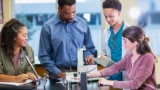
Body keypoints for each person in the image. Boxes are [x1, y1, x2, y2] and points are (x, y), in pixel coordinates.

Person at [39, 0, 95, 79]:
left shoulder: (83, 24)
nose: (71, 16)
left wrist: (88, 56)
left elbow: (89, 48)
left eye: (74, 12)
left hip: (80, 74)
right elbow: (44, 56)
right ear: (59, 9)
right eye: (67, 13)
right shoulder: (48, 28)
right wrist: (58, 73)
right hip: (58, 76)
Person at [88, 26, 157, 90]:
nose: (123, 44)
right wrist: (89, 75)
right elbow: (115, 68)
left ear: (135, 43)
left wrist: (108, 82)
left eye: (125, 41)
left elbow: (135, 84)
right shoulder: (129, 56)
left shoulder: (148, 58)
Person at [0, 19, 37, 83]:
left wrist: (30, 74)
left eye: (27, 35)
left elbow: (30, 69)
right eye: (24, 35)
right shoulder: (1, 51)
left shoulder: (29, 50)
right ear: (14, 36)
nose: (27, 38)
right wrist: (15, 79)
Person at [101, 0, 129, 81]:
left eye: (111, 16)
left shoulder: (130, 30)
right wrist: (103, 57)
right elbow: (105, 53)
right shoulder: (106, 32)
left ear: (119, 13)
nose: (108, 20)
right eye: (105, 16)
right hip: (111, 76)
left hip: (126, 76)